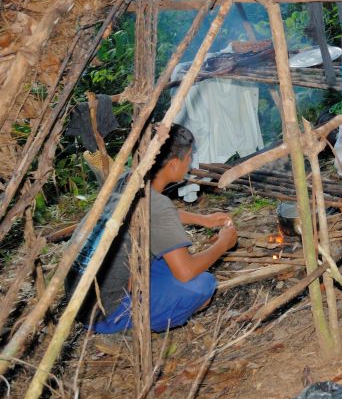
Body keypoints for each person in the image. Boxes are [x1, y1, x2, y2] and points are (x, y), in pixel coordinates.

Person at [74, 124, 237, 333]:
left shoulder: (127, 179)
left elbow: (148, 214)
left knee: (165, 259)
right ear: (173, 164)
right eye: (189, 156)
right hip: (106, 313)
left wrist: (202, 219)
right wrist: (223, 243)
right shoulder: (157, 204)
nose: (190, 162)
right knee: (202, 284)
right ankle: (128, 328)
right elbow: (185, 272)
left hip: (82, 298)